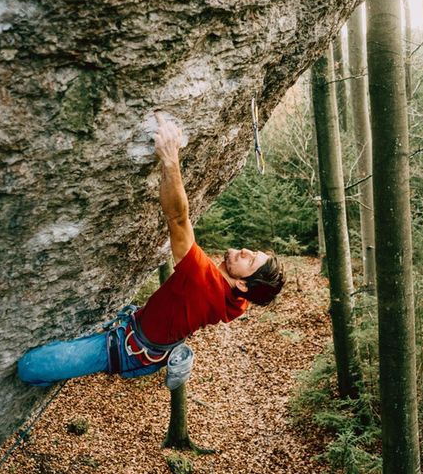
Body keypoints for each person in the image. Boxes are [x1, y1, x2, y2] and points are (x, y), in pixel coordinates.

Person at [17, 116, 285, 388]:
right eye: (252, 252)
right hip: (151, 345)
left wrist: (170, 157)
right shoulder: (237, 302)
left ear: (241, 283)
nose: (244, 251)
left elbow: (178, 218)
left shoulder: (202, 280)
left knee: (30, 367)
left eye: (249, 259)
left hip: (126, 348)